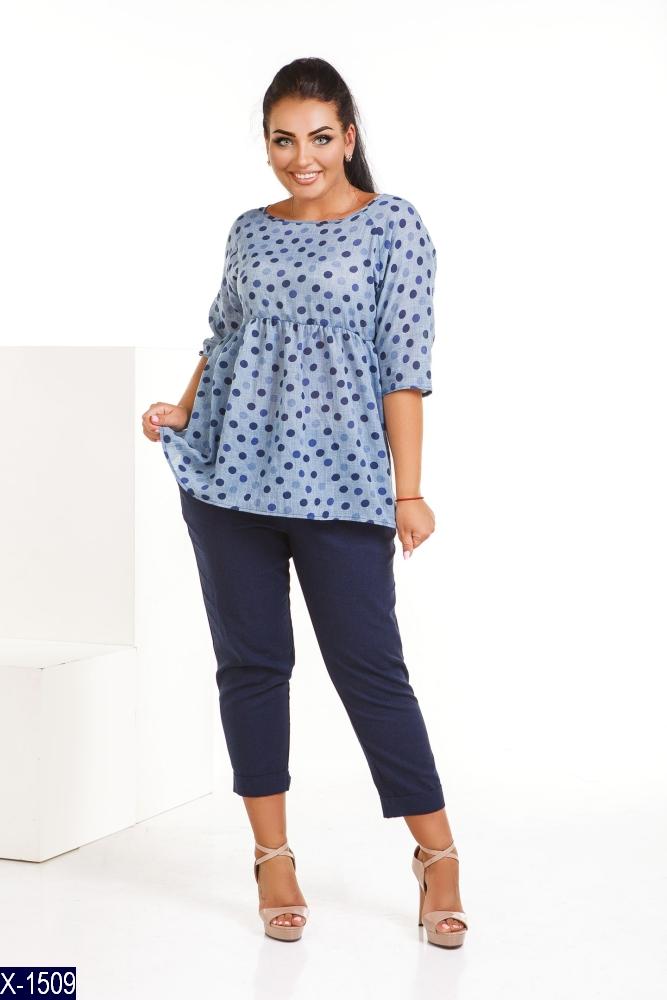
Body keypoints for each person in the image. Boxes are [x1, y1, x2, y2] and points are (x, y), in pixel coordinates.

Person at [141, 57, 467, 948]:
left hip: (342, 488)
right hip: (232, 482)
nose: (301, 157)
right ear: (266, 144)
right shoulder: (249, 230)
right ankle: (272, 856)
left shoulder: (393, 226)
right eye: (282, 140)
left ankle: (436, 854)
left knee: (370, 670)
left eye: (319, 137)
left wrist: (409, 490)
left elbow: (405, 366)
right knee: (251, 667)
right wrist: (184, 407)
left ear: (348, 136)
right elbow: (224, 333)